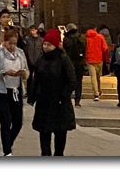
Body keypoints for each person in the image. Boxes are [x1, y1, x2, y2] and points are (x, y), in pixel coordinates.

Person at [27, 27, 76, 156]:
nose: (46, 47)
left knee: (60, 132)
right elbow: (36, 79)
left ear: (55, 45)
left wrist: (64, 94)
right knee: (44, 132)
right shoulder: (41, 59)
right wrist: (32, 96)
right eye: (44, 44)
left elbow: (71, 80)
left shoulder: (63, 59)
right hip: (44, 102)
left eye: (49, 45)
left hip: (59, 102)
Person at [0, 27, 30, 156]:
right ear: (5, 42)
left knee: (18, 122)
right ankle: (7, 151)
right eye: (10, 43)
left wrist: (23, 74)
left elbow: (27, 71)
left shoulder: (20, 53)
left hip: (15, 90)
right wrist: (4, 73)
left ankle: (8, 142)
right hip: (1, 91)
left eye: (14, 43)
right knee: (5, 121)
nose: (12, 46)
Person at [62, 23, 87, 107]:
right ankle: (77, 100)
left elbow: (65, 50)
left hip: (70, 62)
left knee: (68, 80)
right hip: (80, 62)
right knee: (79, 82)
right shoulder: (81, 37)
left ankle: (67, 98)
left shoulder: (66, 39)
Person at [84, 25, 108, 100]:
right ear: (95, 29)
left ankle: (96, 93)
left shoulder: (85, 38)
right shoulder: (100, 37)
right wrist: (107, 59)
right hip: (99, 59)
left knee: (93, 77)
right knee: (98, 76)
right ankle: (98, 91)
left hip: (89, 59)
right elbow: (105, 48)